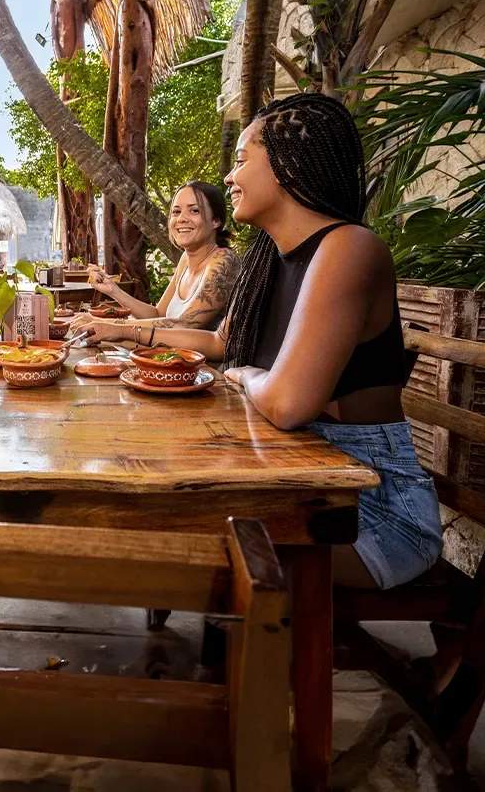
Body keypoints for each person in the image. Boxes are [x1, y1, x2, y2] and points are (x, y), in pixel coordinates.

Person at [156, 92, 442, 590]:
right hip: (290, 482)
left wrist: (245, 375)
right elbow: (223, 343)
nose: (229, 177)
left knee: (175, 548)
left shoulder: (349, 248)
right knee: (161, 502)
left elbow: (288, 403)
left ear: (286, 166)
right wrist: (128, 331)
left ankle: (252, 661)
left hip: (367, 510)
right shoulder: (270, 258)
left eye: (242, 160)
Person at [70, 182, 238, 348]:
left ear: (216, 220)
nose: (181, 219)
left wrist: (112, 326)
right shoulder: (186, 259)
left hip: (205, 370)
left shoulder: (223, 261)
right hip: (166, 362)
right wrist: (113, 290)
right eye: (176, 212)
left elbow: (185, 325)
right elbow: (158, 314)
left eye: (194, 211)